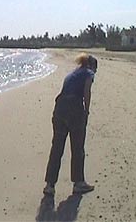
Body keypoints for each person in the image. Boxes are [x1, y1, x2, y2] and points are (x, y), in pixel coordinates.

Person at [44, 53, 97, 194]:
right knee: (77, 147)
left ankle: (50, 185)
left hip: (59, 108)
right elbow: (87, 91)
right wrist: (87, 111)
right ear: (92, 65)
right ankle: (78, 183)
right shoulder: (89, 73)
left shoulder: (72, 74)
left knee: (57, 148)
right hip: (74, 110)